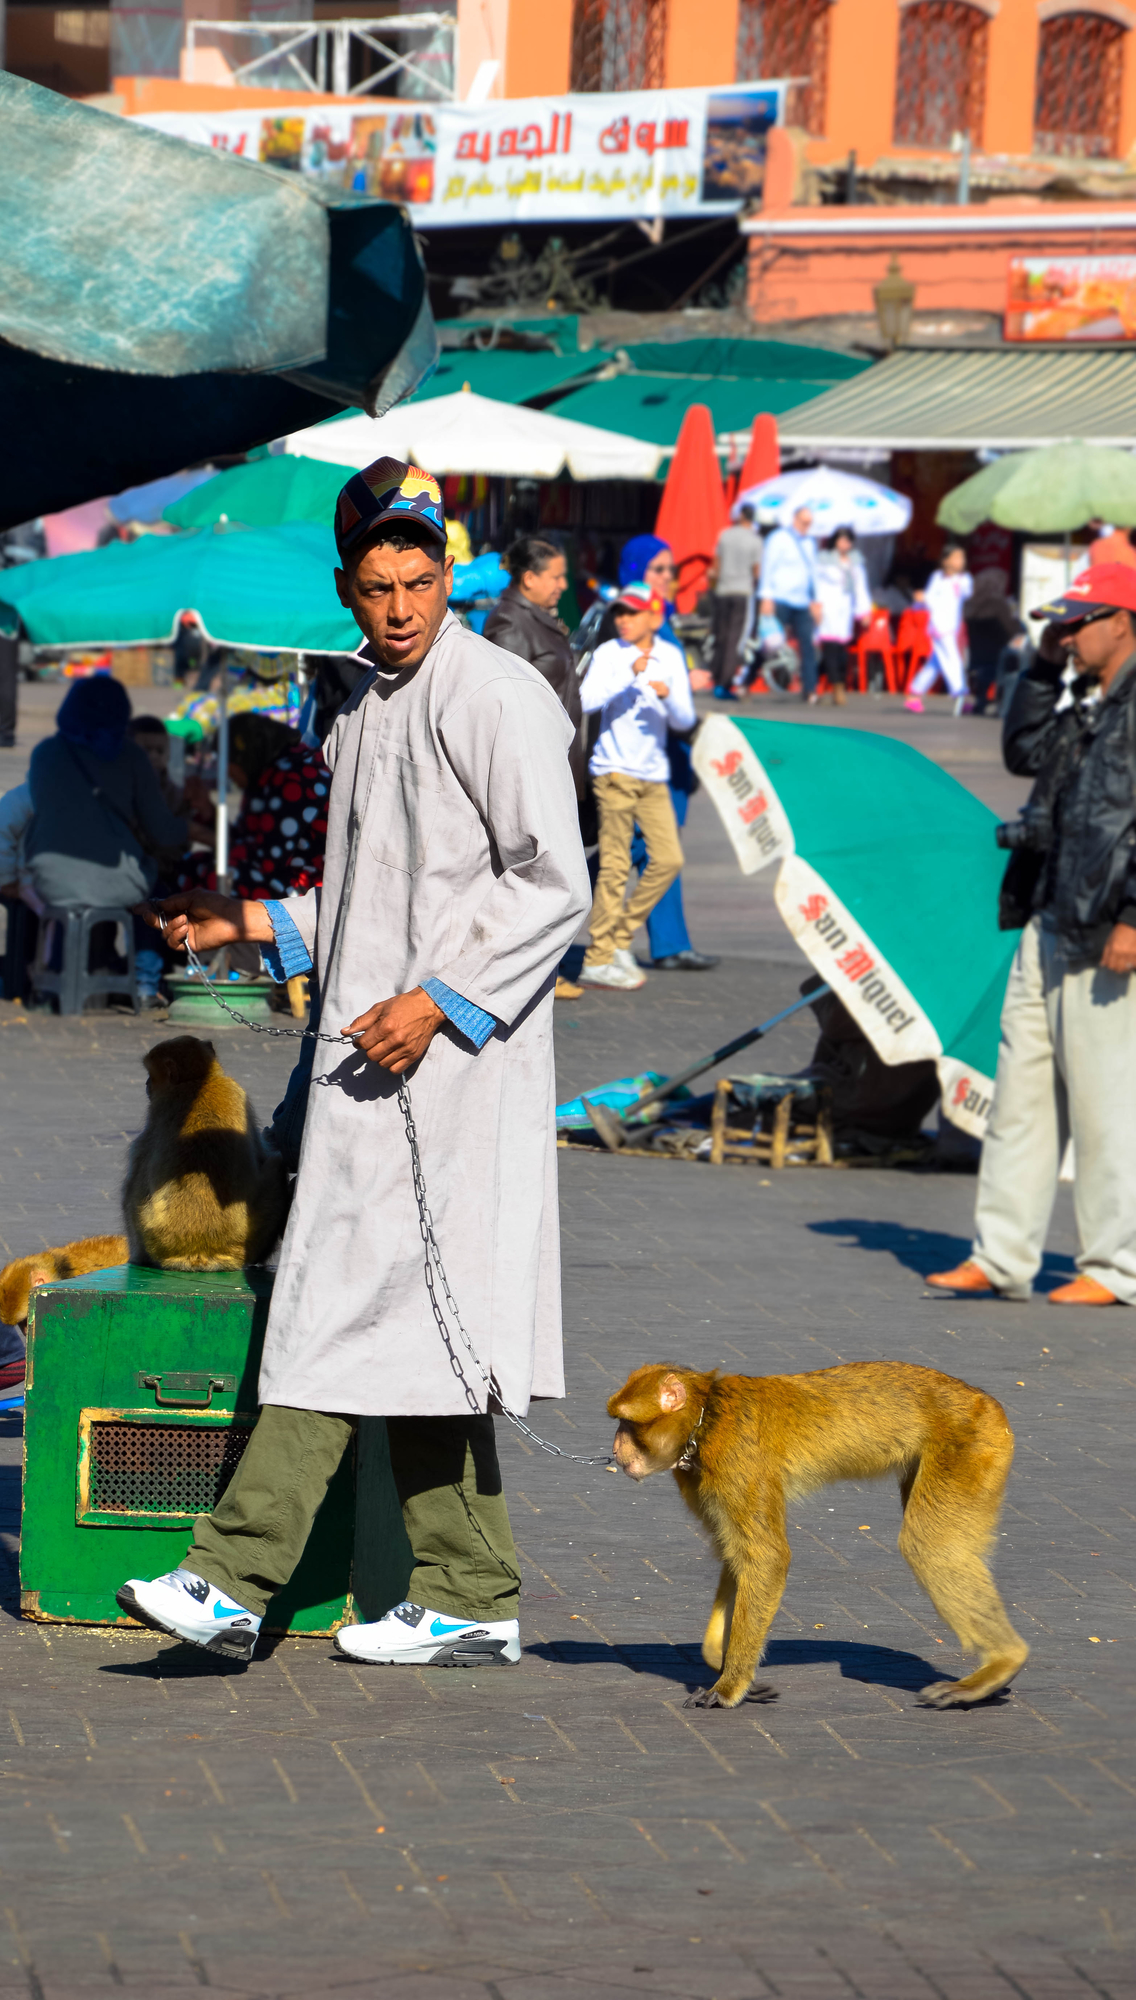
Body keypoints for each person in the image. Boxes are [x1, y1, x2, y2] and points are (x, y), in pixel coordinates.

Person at [120, 456, 591, 1667]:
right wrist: (252, 923)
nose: (399, 604)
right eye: (377, 584)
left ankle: (232, 1579)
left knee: (337, 1301)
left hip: (446, 1070)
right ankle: (472, 1589)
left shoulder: (493, 695)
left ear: (449, 572)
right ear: (346, 586)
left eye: (419, 579)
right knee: (414, 1321)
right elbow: (371, 894)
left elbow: (556, 883)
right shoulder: (367, 702)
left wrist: (439, 1001)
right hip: (364, 1062)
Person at [927, 563, 1136, 1307]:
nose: (1067, 633)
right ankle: (1003, 1254)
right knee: (1021, 1095)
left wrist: (1132, 916)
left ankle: (1116, 1265)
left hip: (1106, 926)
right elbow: (1023, 752)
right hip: (1048, 913)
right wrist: (1043, 667)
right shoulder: (1088, 697)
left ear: (1123, 621)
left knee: (1108, 1105)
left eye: (1080, 622)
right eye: (1063, 623)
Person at [25, 677, 189, 1009]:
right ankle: (145, 982)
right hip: (115, 882)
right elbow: (163, 832)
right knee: (155, 891)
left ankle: (60, 977)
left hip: (48, 879)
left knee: (94, 888)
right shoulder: (130, 757)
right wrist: (194, 824)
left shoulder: (44, 753)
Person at [577, 581, 694, 991]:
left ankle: (617, 940)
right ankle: (598, 958)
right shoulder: (611, 654)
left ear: (654, 617)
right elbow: (585, 700)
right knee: (613, 866)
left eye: (632, 613)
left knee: (668, 860)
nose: (623, 620)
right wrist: (629, 674)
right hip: (614, 772)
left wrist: (668, 696)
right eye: (620, 613)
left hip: (653, 775)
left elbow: (683, 719)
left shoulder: (670, 655)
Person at [484, 536, 587, 1001]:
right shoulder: (508, 624)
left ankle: (545, 966)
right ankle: (527, 970)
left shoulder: (540, 621)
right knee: (539, 871)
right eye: (556, 577)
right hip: (531, 768)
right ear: (529, 578)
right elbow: (500, 703)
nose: (562, 586)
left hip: (557, 761)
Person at [617, 535, 717, 973]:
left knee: (657, 844)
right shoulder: (626, 619)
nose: (667, 578)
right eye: (658, 569)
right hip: (642, 748)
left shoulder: (665, 618)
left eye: (670, 570)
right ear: (637, 570)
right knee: (646, 845)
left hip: (670, 748)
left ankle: (670, 943)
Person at [176, 713, 329, 901]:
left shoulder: (296, 778)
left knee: (218, 877)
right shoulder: (264, 773)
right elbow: (245, 838)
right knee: (193, 864)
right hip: (273, 870)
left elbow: (267, 859)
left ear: (242, 755)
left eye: (227, 763)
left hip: (307, 887)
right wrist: (208, 812)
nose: (225, 773)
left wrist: (205, 836)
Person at [759, 503, 821, 702]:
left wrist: (816, 600)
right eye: (804, 522)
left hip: (802, 601)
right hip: (780, 598)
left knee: (807, 645)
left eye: (809, 523)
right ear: (794, 519)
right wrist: (766, 596)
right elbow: (767, 567)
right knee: (770, 643)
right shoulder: (778, 539)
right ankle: (745, 679)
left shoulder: (810, 542)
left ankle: (810, 689)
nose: (806, 526)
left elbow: (813, 573)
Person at [904, 545, 972, 714]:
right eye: (956, 558)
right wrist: (922, 598)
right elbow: (931, 599)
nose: (960, 562)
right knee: (952, 659)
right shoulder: (937, 578)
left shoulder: (963, 579)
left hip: (952, 626)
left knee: (936, 663)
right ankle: (959, 692)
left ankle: (915, 693)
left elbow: (967, 593)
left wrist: (955, 579)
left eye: (962, 558)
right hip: (939, 626)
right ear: (945, 560)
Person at [709, 504, 762, 702]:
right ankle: (724, 682)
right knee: (735, 639)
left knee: (721, 635)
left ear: (739, 516)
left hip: (723, 589)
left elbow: (716, 564)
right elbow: (757, 571)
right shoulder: (755, 540)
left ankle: (715, 678)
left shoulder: (725, 535)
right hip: (742, 592)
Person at [815, 527, 871, 706]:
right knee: (830, 650)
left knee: (841, 654)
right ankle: (838, 688)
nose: (844, 544)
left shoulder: (855, 562)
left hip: (844, 611)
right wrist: (815, 606)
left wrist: (864, 611)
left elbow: (861, 588)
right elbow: (815, 585)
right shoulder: (823, 560)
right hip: (827, 610)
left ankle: (814, 681)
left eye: (848, 541)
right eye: (841, 540)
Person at [963, 569, 1018, 715]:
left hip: (976, 658)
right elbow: (1012, 630)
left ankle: (981, 701)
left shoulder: (969, 604)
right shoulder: (998, 603)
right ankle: (1005, 704)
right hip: (998, 658)